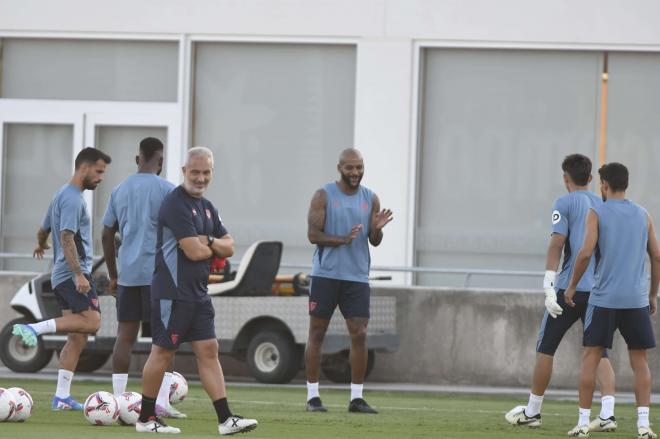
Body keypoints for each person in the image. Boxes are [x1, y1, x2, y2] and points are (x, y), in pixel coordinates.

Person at [135, 146, 257, 435]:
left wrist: (209, 240)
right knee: (163, 352)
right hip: (172, 293)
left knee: (209, 350)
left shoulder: (207, 207)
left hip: (198, 293)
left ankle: (226, 419)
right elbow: (193, 252)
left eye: (205, 172)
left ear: (212, 173)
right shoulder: (175, 204)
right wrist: (211, 245)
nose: (200, 178)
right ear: (183, 172)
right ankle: (146, 419)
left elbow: (229, 246)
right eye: (195, 172)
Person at [505, 154, 616, 431]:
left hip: (568, 287)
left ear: (565, 178)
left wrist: (547, 286)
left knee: (546, 347)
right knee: (598, 352)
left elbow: (557, 244)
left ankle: (533, 410)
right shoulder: (603, 204)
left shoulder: (563, 203)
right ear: (590, 179)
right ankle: (608, 414)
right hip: (599, 291)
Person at [565, 162, 659, 439]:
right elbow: (656, 256)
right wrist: (652, 294)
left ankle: (583, 424)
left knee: (590, 359)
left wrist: (571, 287)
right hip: (635, 300)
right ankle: (643, 426)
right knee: (640, 362)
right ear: (626, 184)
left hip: (604, 300)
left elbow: (584, 253)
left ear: (604, 185)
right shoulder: (644, 215)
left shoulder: (597, 212)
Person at [13, 147, 112, 410]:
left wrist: (40, 245)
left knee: (77, 336)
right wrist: (79, 274)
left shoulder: (60, 194)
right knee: (92, 322)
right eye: (99, 171)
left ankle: (61, 397)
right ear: (84, 168)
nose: (101, 178)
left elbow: (43, 229)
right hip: (71, 274)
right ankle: (33, 328)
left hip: (63, 273)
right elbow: (67, 237)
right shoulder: (73, 199)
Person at [305, 148, 393, 414]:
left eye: (359, 167)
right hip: (326, 276)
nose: (355, 172)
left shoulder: (371, 198)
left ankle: (356, 398)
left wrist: (376, 228)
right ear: (339, 168)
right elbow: (312, 234)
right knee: (317, 333)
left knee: (360, 334)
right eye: (350, 168)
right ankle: (313, 397)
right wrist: (342, 239)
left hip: (356, 278)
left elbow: (373, 241)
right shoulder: (323, 195)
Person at [101, 137, 184, 418]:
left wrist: (113, 275)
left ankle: (115, 402)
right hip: (159, 277)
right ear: (160, 162)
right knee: (164, 340)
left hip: (127, 277)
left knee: (125, 336)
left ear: (138, 159)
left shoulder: (119, 190)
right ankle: (160, 402)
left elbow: (106, 234)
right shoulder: (169, 191)